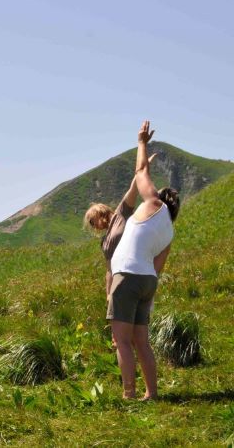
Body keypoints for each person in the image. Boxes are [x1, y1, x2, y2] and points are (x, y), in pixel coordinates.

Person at [108, 121, 180, 400]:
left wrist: (141, 142)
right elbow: (159, 267)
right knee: (142, 342)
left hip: (126, 275)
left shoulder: (153, 204)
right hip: (147, 280)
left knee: (122, 341)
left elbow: (140, 172)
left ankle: (129, 394)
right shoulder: (169, 230)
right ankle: (151, 393)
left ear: (159, 198)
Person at [84, 153, 157, 309]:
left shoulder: (121, 214)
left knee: (140, 322)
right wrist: (108, 294)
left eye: (92, 221)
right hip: (119, 281)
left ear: (100, 213)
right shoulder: (104, 242)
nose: (93, 225)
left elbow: (133, 188)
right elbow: (109, 270)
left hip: (137, 273)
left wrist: (143, 169)